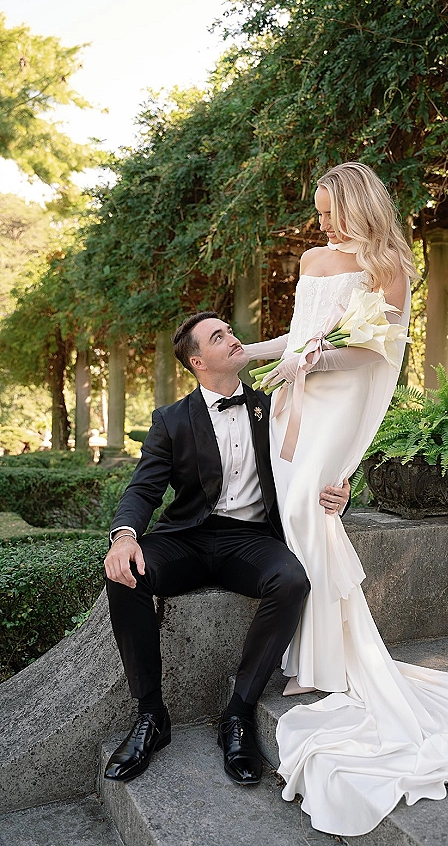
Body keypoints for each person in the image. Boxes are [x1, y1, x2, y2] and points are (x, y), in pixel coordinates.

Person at [243, 162, 448, 836]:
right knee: (299, 522)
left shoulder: (391, 263)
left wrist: (316, 360)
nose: (322, 222)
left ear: (360, 205)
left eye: (331, 209)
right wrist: (255, 353)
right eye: (318, 209)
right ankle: (311, 660)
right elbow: (300, 330)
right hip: (293, 406)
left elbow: (373, 351)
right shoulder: (311, 256)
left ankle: (328, 660)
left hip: (333, 405)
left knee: (314, 506)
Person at [102, 311, 350, 788]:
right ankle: (152, 717)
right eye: (219, 336)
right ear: (198, 361)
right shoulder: (171, 420)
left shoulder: (272, 408)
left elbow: (315, 461)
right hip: (187, 538)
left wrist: (340, 491)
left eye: (231, 331)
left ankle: (238, 714)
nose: (234, 339)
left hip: (250, 540)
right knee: (124, 573)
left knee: (292, 580)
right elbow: (144, 489)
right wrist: (125, 535)